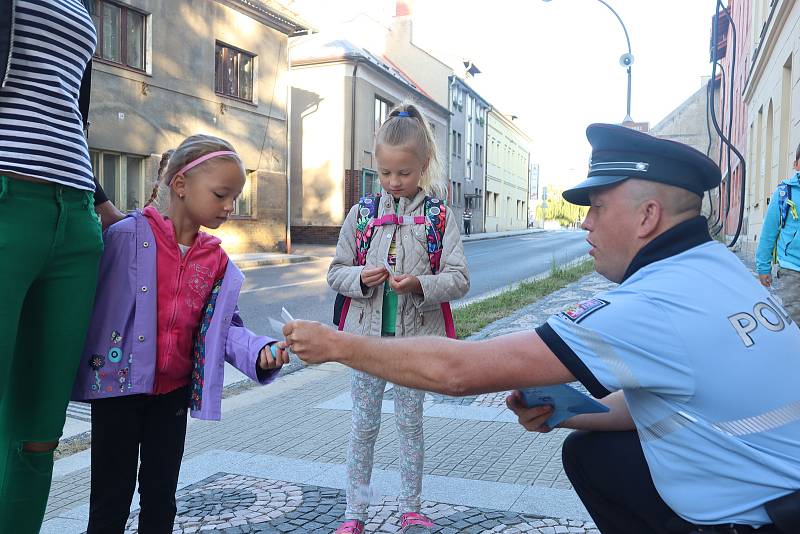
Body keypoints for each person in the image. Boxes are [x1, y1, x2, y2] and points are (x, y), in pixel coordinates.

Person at [284, 124, 800, 534]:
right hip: (780, 494)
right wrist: (566, 414)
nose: (584, 224)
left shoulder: (651, 304)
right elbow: (661, 401)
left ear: (648, 216)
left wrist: (337, 345)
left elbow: (457, 371)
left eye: (597, 208)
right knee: (591, 452)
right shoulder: (718, 265)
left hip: (759, 520)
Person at [71, 135, 291, 533]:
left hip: (171, 396)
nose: (229, 207)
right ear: (181, 185)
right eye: (222, 195)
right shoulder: (125, 236)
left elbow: (225, 327)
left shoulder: (217, 260)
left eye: (235, 198)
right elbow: (84, 296)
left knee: (161, 496)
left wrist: (261, 350)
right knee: (109, 498)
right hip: (116, 393)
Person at [0, 1, 123, 531]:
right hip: (7, 198)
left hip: (75, 218)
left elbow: (70, 108)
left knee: (42, 424)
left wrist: (104, 207)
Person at [328, 103, 469, 534]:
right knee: (363, 427)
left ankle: (412, 506)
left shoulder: (439, 218)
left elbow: (460, 279)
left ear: (423, 166)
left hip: (415, 342)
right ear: (377, 165)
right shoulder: (363, 215)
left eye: (404, 174)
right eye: (386, 173)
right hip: (367, 344)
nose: (394, 182)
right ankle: (356, 511)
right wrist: (361, 279)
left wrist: (421, 285)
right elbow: (336, 271)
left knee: (411, 426)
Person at [755, 143, 800, 322]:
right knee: (795, 323)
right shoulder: (785, 193)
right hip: (792, 270)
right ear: (796, 164)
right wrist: (763, 267)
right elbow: (769, 232)